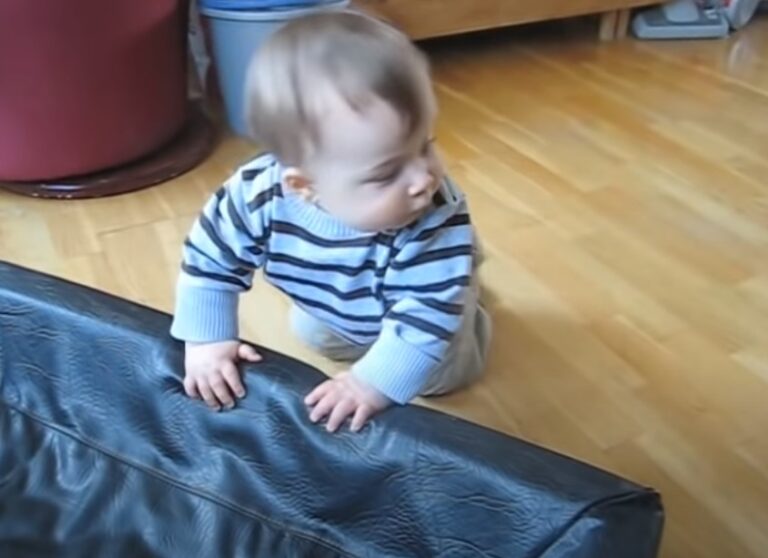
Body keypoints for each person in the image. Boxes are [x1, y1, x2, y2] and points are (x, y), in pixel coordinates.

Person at [171, 10, 491, 433]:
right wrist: (207, 340)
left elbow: (422, 321)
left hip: (423, 294)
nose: (424, 178)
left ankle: (470, 297)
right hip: (336, 300)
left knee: (442, 373)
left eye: (426, 146)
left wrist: (370, 384)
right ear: (305, 186)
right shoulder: (255, 195)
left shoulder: (435, 215)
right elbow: (209, 261)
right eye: (386, 172)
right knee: (315, 334)